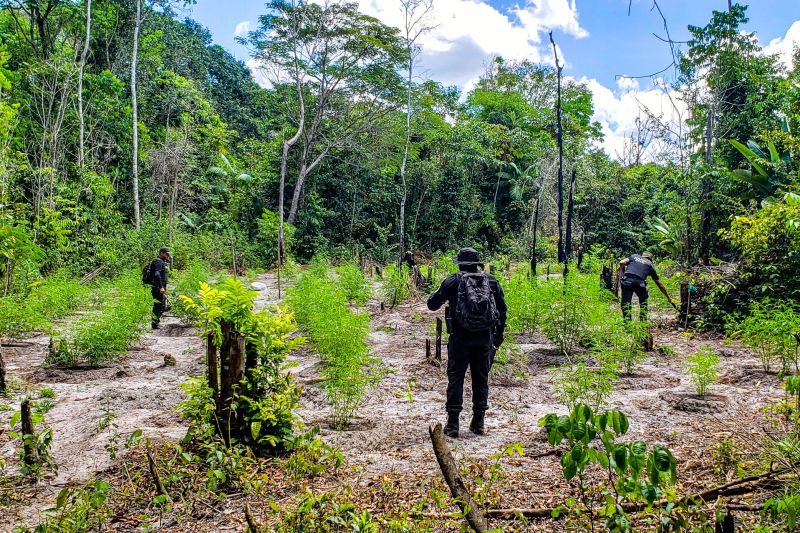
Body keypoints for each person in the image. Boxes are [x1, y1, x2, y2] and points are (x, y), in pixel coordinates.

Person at [427, 247, 507, 439]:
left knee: (456, 378)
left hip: (459, 339)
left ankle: (453, 424)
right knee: (481, 379)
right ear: (477, 264)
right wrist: (497, 337)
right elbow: (502, 311)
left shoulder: (453, 280)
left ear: (460, 263)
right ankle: (478, 423)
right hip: (484, 338)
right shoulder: (492, 282)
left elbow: (432, 304)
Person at [618, 251, 675, 321]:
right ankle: (643, 322)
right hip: (639, 283)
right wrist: (668, 298)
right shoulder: (650, 265)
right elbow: (659, 284)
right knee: (643, 302)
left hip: (627, 281)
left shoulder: (634, 256)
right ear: (650, 259)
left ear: (642, 256)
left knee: (626, 304)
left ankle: (627, 325)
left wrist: (624, 273)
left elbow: (622, 262)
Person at [148, 247, 171, 329]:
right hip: (157, 288)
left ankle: (155, 322)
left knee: (162, 305)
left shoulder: (163, 262)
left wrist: (164, 287)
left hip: (161, 287)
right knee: (158, 305)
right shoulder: (158, 262)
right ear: (161, 253)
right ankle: (154, 324)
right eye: (166, 254)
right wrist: (161, 287)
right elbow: (157, 275)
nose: (168, 256)